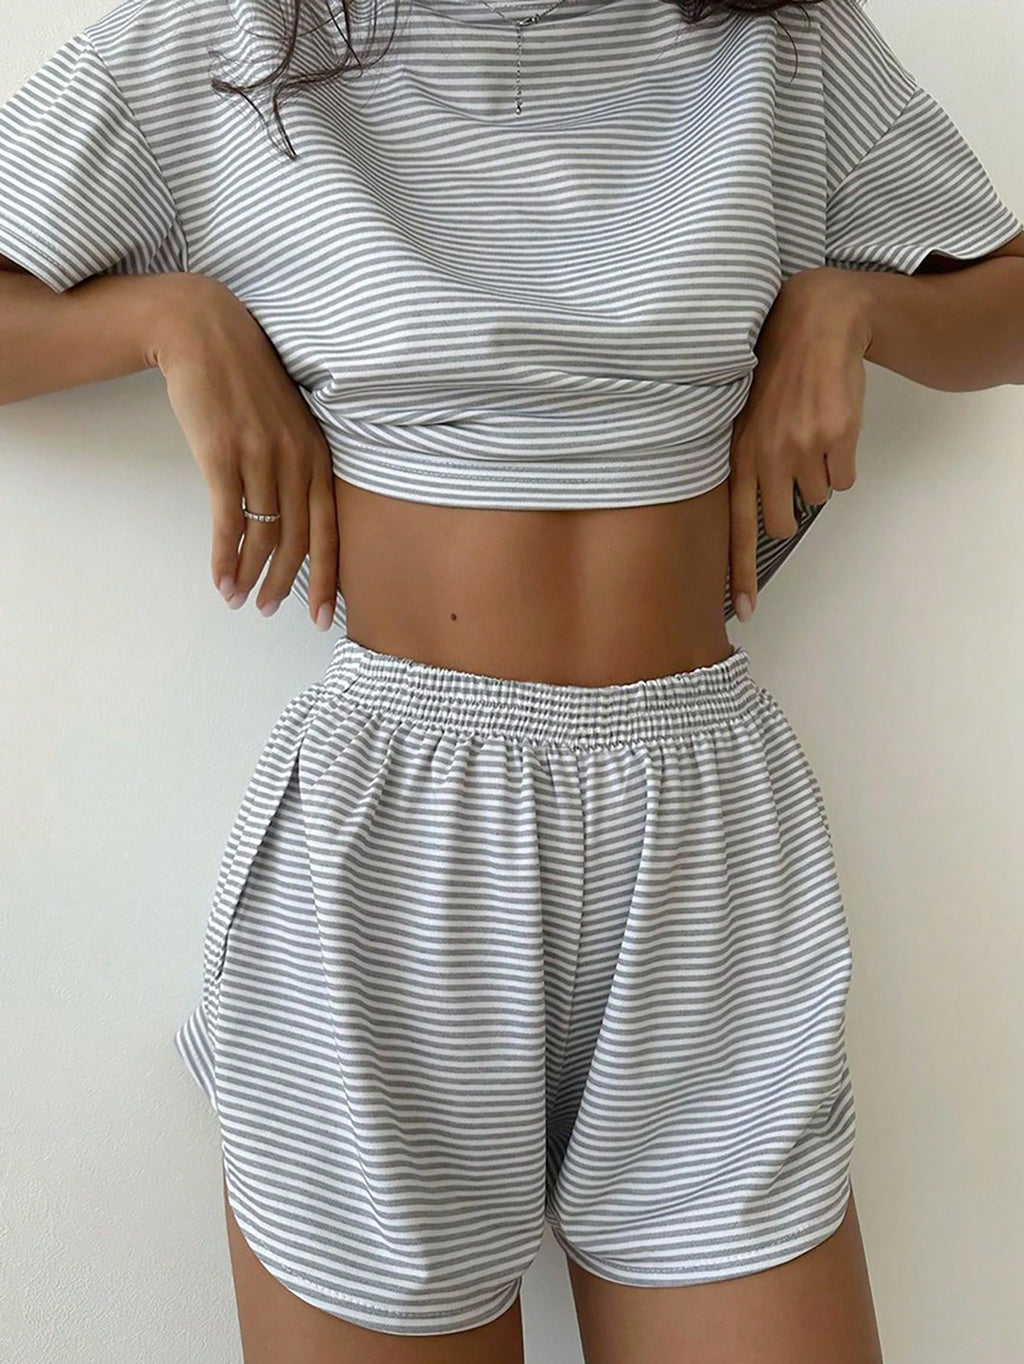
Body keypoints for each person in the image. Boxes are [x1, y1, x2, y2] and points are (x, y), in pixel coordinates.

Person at [2, 0, 1022, 1359]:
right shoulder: (223, 42)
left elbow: (1007, 303)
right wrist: (165, 319)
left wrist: (856, 306)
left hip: (706, 836)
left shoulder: (785, 43)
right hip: (393, 847)